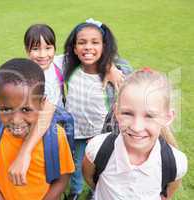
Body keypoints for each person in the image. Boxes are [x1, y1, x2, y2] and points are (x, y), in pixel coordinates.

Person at [6, 23, 128, 187]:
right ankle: (58, 188)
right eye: (35, 49)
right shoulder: (24, 73)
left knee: (78, 159)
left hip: (60, 124)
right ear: (27, 50)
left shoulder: (59, 63)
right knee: (52, 161)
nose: (43, 54)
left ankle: (84, 189)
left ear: (54, 49)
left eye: (48, 48)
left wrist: (110, 67)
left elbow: (91, 50)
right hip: (37, 124)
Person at [0, 58, 75, 200]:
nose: (16, 120)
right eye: (6, 109)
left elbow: (63, 178)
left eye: (26, 109)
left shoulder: (56, 136)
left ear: (41, 103)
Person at [82, 68, 188, 200]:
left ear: (167, 118)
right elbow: (91, 179)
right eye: (127, 113)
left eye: (149, 116)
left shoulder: (175, 163)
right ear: (116, 112)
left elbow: (167, 194)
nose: (137, 127)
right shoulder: (98, 148)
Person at [62, 18, 132, 199]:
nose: (88, 47)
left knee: (100, 164)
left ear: (104, 46)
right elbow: (44, 57)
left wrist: (110, 65)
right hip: (76, 131)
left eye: (95, 42)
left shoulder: (113, 73)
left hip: (101, 132)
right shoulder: (69, 68)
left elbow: (128, 72)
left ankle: (96, 191)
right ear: (75, 48)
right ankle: (75, 192)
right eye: (82, 42)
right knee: (76, 165)